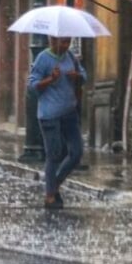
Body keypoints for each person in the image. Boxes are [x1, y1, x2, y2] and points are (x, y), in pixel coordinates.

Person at [27, 35, 87, 209]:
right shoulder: (43, 58)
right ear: (52, 40)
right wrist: (50, 80)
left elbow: (84, 75)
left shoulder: (70, 57)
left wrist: (77, 76)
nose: (65, 45)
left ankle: (54, 185)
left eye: (68, 41)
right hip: (49, 114)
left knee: (76, 153)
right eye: (62, 41)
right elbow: (32, 86)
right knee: (54, 154)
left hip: (69, 112)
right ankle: (50, 196)